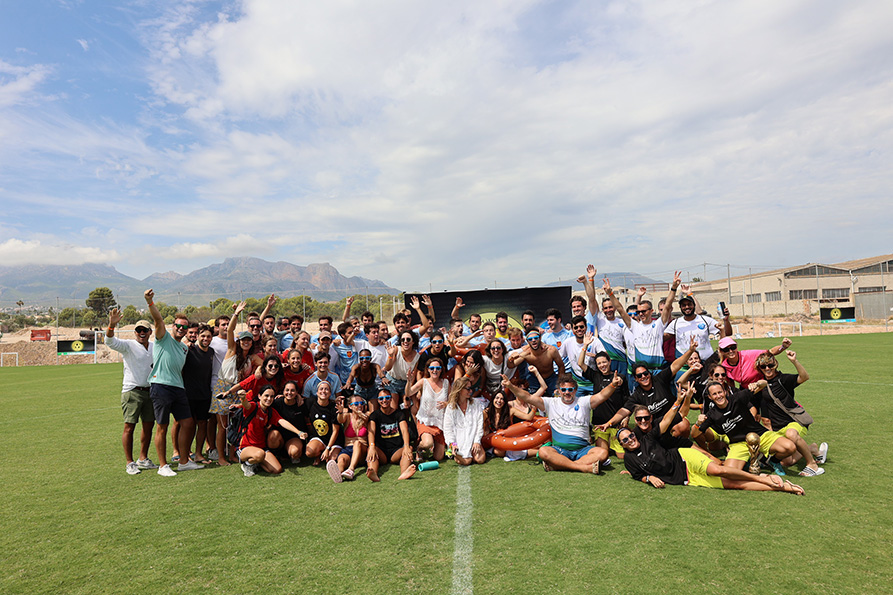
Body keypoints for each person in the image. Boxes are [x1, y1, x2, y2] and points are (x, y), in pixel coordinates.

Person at [617, 426, 804, 494]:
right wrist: (648, 478)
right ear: (622, 445)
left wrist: (679, 401)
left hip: (685, 459)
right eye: (625, 440)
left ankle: (761, 478)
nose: (630, 440)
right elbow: (637, 475)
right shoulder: (629, 460)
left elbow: (666, 422)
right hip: (686, 479)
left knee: (718, 470)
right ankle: (784, 488)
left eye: (630, 436)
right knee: (734, 485)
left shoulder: (647, 439)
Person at [507, 367, 622, 473]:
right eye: (564, 390)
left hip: (583, 449)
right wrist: (511, 386)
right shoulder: (550, 403)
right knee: (543, 451)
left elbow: (602, 395)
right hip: (559, 450)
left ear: (575, 390)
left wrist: (612, 385)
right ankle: (583, 467)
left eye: (570, 389)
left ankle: (558, 465)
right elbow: (528, 397)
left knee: (602, 453)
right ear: (559, 391)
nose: (567, 392)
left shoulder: (584, 402)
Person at [597, 336, 700, 449]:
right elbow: (624, 410)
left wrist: (690, 351)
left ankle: (679, 445)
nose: (643, 377)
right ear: (636, 379)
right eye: (639, 376)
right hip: (655, 426)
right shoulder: (637, 394)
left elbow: (675, 365)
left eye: (645, 373)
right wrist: (609, 423)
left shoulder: (660, 379)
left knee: (684, 425)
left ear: (649, 373)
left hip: (673, 417)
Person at [143, 289, 200, 476]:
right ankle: (162, 466)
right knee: (162, 426)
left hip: (178, 388)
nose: (181, 329)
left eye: (184, 327)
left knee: (188, 423)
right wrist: (150, 302)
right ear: (173, 326)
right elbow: (158, 320)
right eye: (178, 326)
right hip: (161, 386)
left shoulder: (184, 348)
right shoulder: (163, 338)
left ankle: (184, 461)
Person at [691, 381, 798, 475]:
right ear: (710, 397)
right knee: (729, 473)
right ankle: (748, 462)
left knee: (790, 447)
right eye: (714, 394)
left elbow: (764, 383)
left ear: (725, 392)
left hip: (760, 435)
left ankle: (772, 461)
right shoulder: (712, 414)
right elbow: (695, 434)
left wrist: (757, 384)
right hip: (738, 444)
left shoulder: (738, 398)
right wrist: (698, 423)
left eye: (720, 392)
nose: (718, 396)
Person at [750, 350, 827, 476]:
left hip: (794, 422)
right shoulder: (761, 385)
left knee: (791, 434)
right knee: (787, 462)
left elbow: (804, 377)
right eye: (763, 366)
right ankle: (812, 449)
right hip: (777, 427)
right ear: (760, 368)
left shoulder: (783, 379)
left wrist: (794, 361)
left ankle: (812, 464)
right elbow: (764, 413)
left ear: (775, 365)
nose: (767, 368)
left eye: (770, 365)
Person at [105, 310, 156, 474]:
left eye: (145, 330)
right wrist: (112, 325)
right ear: (135, 332)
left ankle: (143, 458)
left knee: (148, 426)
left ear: (150, 332)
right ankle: (130, 462)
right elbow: (110, 341)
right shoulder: (128, 345)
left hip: (150, 391)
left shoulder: (155, 347)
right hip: (132, 391)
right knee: (129, 427)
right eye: (139, 330)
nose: (142, 333)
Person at [605, 273, 681, 372]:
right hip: (642, 373)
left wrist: (674, 287)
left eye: (644, 311)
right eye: (639, 312)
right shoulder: (634, 326)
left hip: (658, 370)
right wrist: (610, 293)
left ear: (651, 311)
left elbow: (667, 306)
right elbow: (620, 309)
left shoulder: (658, 324)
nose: (641, 314)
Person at [237, 385, 308, 477]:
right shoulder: (254, 407)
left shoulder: (270, 411)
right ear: (259, 396)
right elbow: (246, 405)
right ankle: (247, 464)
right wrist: (243, 398)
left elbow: (282, 421)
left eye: (271, 396)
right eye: (266, 396)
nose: (269, 399)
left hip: (262, 447)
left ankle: (257, 463)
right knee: (259, 454)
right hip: (246, 446)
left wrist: (299, 432)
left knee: (277, 469)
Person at [577, 342, 629, 459]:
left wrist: (626, 417)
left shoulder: (620, 377)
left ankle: (617, 440)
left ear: (610, 362)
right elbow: (580, 363)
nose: (602, 365)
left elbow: (627, 399)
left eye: (604, 362)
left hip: (616, 424)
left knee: (621, 456)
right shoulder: (595, 376)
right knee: (603, 454)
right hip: (600, 423)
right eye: (599, 363)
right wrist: (585, 345)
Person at [365, 389, 418, 482]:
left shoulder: (398, 414)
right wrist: (372, 446)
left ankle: (404, 472)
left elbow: (405, 430)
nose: (384, 400)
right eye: (381, 398)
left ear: (391, 399)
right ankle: (373, 473)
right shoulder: (375, 415)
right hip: (381, 452)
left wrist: (406, 446)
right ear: (378, 400)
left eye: (387, 398)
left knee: (408, 448)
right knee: (371, 449)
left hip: (396, 451)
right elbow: (371, 431)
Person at [182, 323, 215, 464]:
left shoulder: (212, 352)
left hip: (204, 395)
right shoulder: (189, 350)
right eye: (203, 336)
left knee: (202, 424)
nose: (205, 339)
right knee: (188, 425)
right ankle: (185, 454)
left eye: (208, 336)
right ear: (198, 337)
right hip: (189, 395)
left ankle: (198, 454)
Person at [664, 293, 731, 361]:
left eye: (689, 304)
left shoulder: (705, 320)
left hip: (706, 362)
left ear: (694, 305)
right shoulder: (675, 323)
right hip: (684, 364)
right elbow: (662, 338)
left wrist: (726, 320)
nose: (687, 307)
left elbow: (727, 333)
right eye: (684, 305)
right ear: (680, 307)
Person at [407, 357, 450, 461]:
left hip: (440, 422)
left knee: (438, 457)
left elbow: (452, 400)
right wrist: (409, 382)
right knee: (427, 443)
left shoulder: (446, 383)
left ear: (441, 369)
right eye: (432, 368)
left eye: (437, 368)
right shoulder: (423, 382)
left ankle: (431, 446)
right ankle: (419, 448)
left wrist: (446, 403)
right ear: (428, 369)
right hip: (425, 420)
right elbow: (408, 393)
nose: (435, 370)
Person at [507, 328, 564, 396]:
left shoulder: (551, 350)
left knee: (558, 397)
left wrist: (560, 382)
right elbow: (511, 365)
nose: (533, 340)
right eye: (530, 339)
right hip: (534, 379)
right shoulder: (526, 353)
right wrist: (511, 358)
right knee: (533, 401)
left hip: (551, 378)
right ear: (527, 341)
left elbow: (561, 366)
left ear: (540, 338)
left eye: (536, 338)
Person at [443, 377, 486, 465]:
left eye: (471, 388)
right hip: (458, 441)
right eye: (468, 389)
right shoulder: (450, 407)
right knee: (467, 461)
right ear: (459, 389)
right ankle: (454, 452)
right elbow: (448, 429)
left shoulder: (476, 403)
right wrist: (452, 444)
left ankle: (454, 453)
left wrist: (477, 441)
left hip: (472, 438)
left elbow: (479, 424)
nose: (471, 391)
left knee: (480, 459)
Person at [719, 336, 793, 388]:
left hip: (763, 386)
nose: (731, 351)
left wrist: (783, 347)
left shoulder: (749, 354)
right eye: (726, 349)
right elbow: (730, 382)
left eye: (733, 347)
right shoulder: (724, 366)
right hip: (747, 390)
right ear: (721, 351)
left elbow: (770, 352)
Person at [482, 390, 537, 460]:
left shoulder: (510, 410)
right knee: (499, 452)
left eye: (502, 399)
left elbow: (528, 417)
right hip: (491, 441)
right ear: (493, 399)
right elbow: (481, 429)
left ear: (505, 401)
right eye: (497, 398)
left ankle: (540, 452)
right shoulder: (486, 412)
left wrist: (534, 408)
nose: (499, 401)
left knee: (501, 451)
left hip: (507, 440)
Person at [559, 315, 605, 396]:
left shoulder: (595, 341)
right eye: (576, 327)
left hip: (593, 380)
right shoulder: (568, 342)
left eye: (581, 326)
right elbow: (559, 357)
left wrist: (596, 356)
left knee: (596, 406)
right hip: (577, 382)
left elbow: (605, 356)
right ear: (572, 330)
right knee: (577, 407)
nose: (579, 329)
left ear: (586, 327)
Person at [267, 380, 310, 464]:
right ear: (283, 391)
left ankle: (291, 455)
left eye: (292, 390)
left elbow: (307, 419)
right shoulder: (277, 403)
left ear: (297, 392)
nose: (289, 392)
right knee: (273, 435)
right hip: (279, 438)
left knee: (295, 452)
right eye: (287, 390)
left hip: (294, 437)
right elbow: (262, 404)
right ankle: (276, 454)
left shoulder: (300, 404)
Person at [303, 381, 342, 466]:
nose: (323, 391)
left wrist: (328, 448)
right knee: (309, 452)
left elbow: (336, 431)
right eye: (321, 389)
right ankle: (318, 454)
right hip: (319, 438)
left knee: (331, 461)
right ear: (317, 392)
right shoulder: (310, 403)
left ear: (330, 393)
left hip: (334, 440)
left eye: (326, 389)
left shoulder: (334, 407)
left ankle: (326, 452)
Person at [334, 395, 369, 480]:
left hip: (362, 450)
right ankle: (338, 476)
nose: (359, 406)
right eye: (356, 404)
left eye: (361, 403)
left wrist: (359, 414)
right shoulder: (348, 416)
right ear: (350, 406)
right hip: (349, 448)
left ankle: (351, 469)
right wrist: (341, 412)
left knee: (357, 443)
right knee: (342, 459)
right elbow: (340, 420)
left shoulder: (367, 414)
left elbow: (367, 419)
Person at [384, 331, 420, 398]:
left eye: (408, 339)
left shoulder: (417, 357)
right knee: (393, 404)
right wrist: (391, 355)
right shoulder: (396, 349)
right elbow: (388, 368)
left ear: (413, 342)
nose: (405, 341)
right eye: (403, 340)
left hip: (406, 384)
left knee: (414, 406)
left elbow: (412, 378)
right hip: (391, 381)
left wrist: (407, 395)